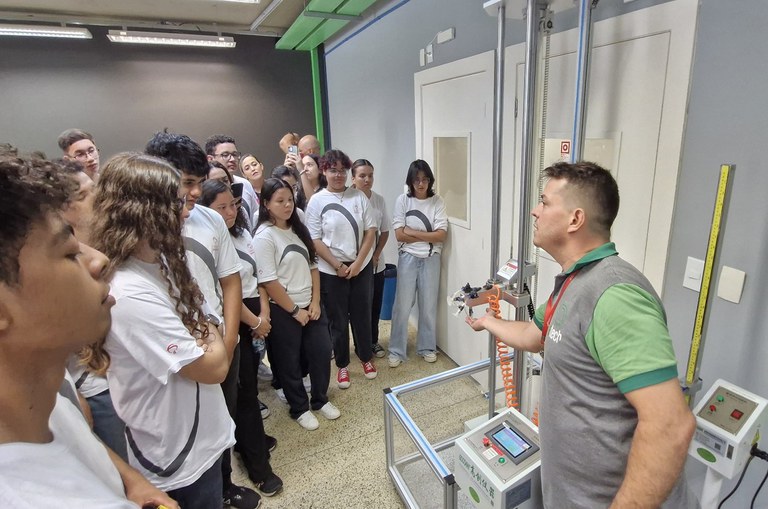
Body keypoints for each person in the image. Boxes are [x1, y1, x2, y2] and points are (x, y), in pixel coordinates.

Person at [465, 161, 697, 508]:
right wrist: (488, 323)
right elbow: (535, 334)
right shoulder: (573, 282)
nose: (535, 211)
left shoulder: (615, 295)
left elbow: (670, 427)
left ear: (575, 219)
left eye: (544, 202)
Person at [0, 154, 177, 509]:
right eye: (68, 252)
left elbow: (76, 442)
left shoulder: (39, 395)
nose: (97, 260)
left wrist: (131, 481)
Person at [146, 132, 260, 509]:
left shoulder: (210, 219)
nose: (195, 193)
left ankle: (225, 487)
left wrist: (228, 342)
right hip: (173, 350)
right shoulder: (144, 227)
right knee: (182, 428)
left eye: (197, 182)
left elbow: (230, 280)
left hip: (221, 341)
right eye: (188, 183)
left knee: (221, 420)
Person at [197, 179, 284, 496]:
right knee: (240, 395)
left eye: (233, 204)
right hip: (229, 320)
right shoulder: (205, 241)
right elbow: (221, 291)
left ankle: (252, 444)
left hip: (252, 310)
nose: (231, 211)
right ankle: (258, 470)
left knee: (246, 390)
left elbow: (257, 276)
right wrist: (254, 321)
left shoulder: (243, 233)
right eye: (222, 207)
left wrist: (263, 312)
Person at [253, 178, 339, 430]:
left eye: (289, 200)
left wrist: (315, 302)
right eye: (280, 201)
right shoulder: (264, 236)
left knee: (321, 353)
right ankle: (299, 408)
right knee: (289, 362)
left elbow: (313, 266)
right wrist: (294, 310)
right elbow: (268, 281)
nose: (287, 205)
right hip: (284, 309)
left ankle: (320, 400)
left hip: (310, 306)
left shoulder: (297, 228)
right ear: (266, 204)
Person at [57, 159, 128, 461]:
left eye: (93, 188)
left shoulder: (109, 242)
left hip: (128, 375)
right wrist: (76, 393)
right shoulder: (61, 265)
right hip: (97, 388)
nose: (98, 198)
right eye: (85, 195)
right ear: (63, 210)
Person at [305, 149, 378, 388]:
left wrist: (357, 264)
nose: (338, 175)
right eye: (333, 170)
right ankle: (343, 365)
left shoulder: (358, 197)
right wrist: (337, 265)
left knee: (362, 315)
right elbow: (314, 239)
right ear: (324, 171)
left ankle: (366, 357)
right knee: (337, 320)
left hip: (361, 267)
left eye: (342, 170)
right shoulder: (317, 201)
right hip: (331, 271)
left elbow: (370, 232)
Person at [388, 160, 448, 367]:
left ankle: (427, 347)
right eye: (417, 180)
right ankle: (396, 350)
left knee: (428, 305)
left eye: (425, 179)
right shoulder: (403, 200)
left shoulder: (437, 201)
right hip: (408, 258)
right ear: (411, 182)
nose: (421, 184)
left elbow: (440, 236)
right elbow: (398, 235)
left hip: (431, 258)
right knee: (402, 306)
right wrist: (426, 235)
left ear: (430, 181)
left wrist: (411, 232)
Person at [350, 159, 390, 358]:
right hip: (355, 265)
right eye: (362, 176)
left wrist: (375, 254)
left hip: (376, 264)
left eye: (370, 175)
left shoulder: (378, 200)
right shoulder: (348, 199)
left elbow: (384, 232)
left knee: (375, 305)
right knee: (358, 309)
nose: (367, 179)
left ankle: (373, 342)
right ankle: (360, 346)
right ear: (353, 178)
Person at [205, 135, 259, 229]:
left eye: (235, 154)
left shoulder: (245, 184)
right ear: (210, 159)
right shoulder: (201, 189)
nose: (232, 159)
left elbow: (255, 217)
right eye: (225, 155)